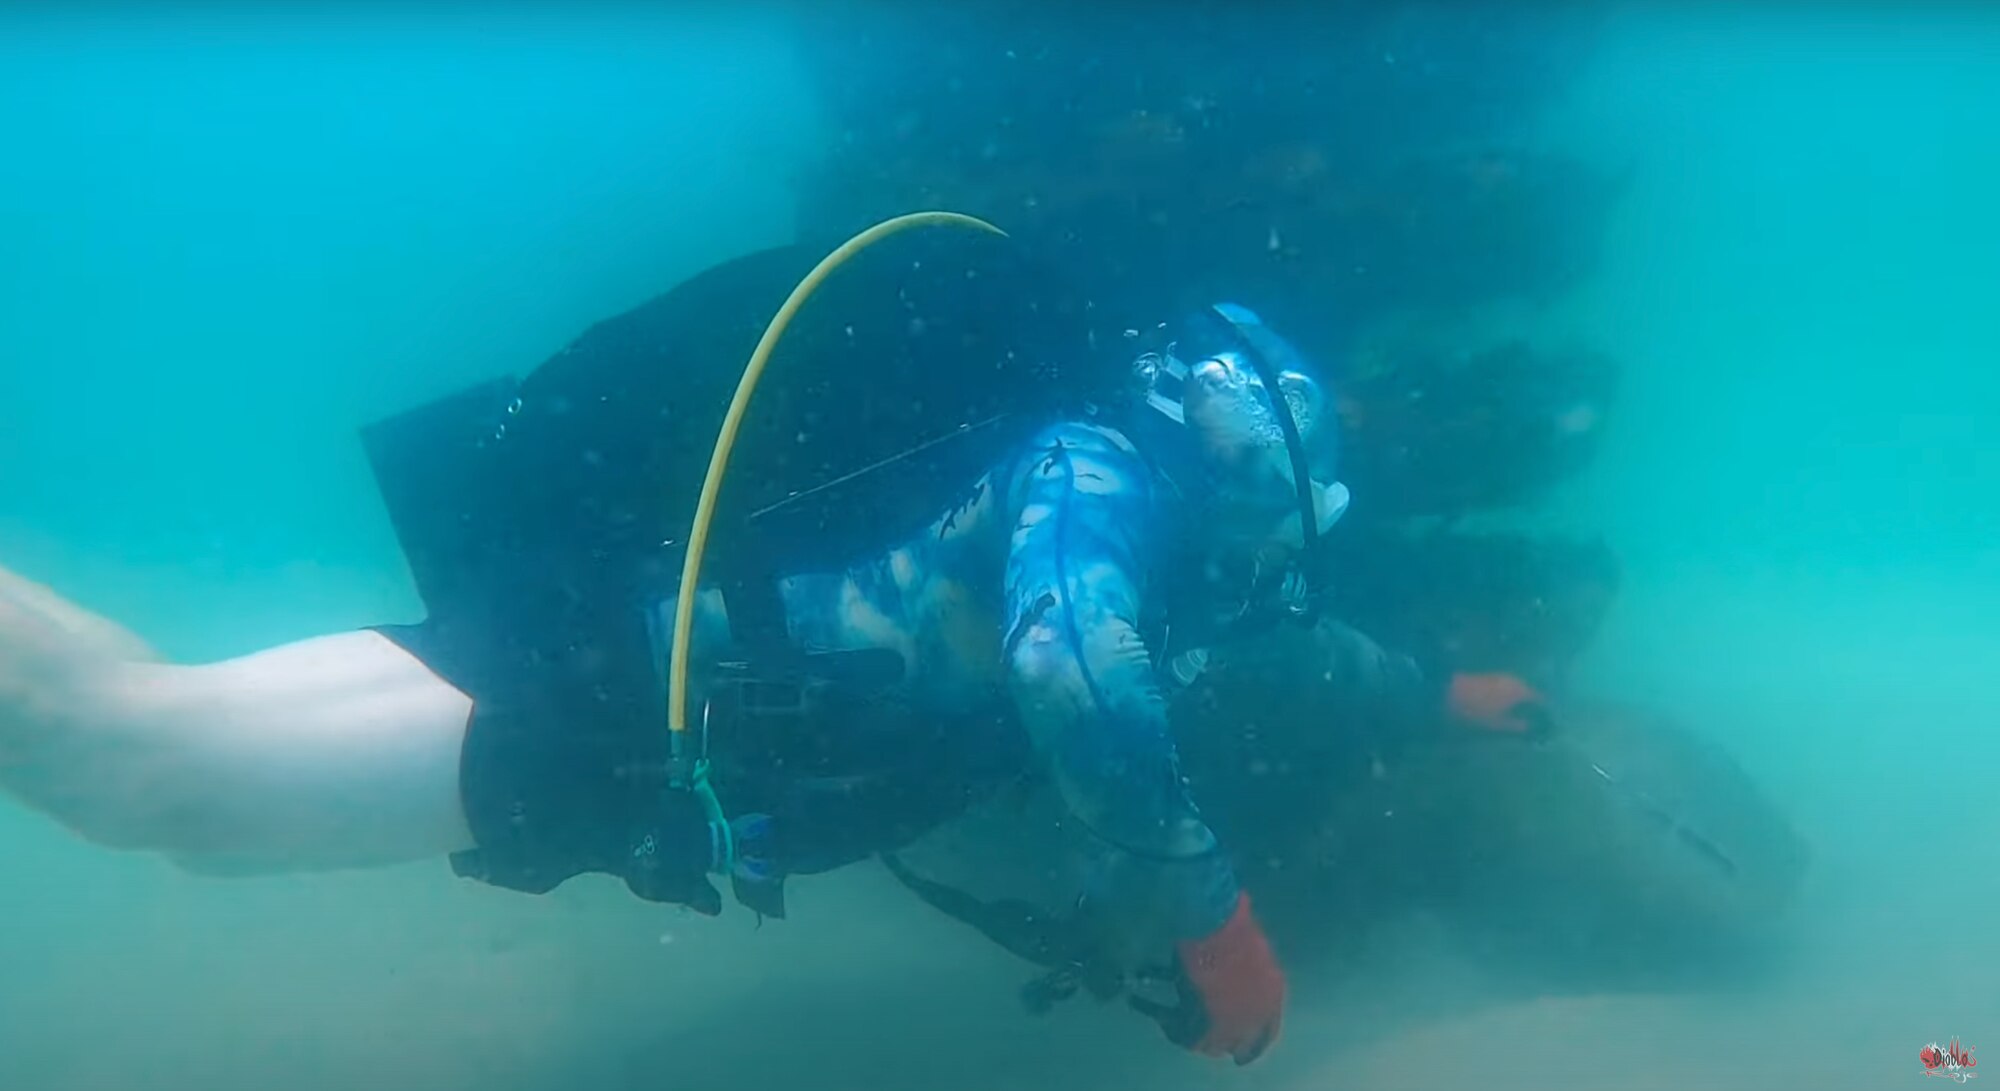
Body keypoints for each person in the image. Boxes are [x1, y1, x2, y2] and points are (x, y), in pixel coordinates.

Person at [0, 229, 1541, 1065]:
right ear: (1240, 449)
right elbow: (1078, 672)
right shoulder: (1100, 475)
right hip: (605, 712)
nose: (1296, 527)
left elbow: (1266, 637)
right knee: (148, 774)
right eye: (1298, 486)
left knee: (166, 780)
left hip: (617, 677)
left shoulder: (1148, 519)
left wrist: (1433, 690)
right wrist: (1215, 916)